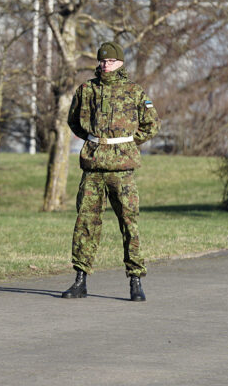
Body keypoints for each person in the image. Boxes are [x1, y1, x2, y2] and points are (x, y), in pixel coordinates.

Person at [61, 41, 160, 302]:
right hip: (93, 166)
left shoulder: (134, 91)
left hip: (122, 169)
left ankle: (135, 279)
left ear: (121, 63)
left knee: (129, 223)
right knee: (86, 222)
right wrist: (93, 140)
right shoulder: (87, 90)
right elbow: (74, 121)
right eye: (103, 61)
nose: (106, 65)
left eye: (111, 61)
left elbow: (152, 124)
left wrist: (127, 144)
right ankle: (80, 279)